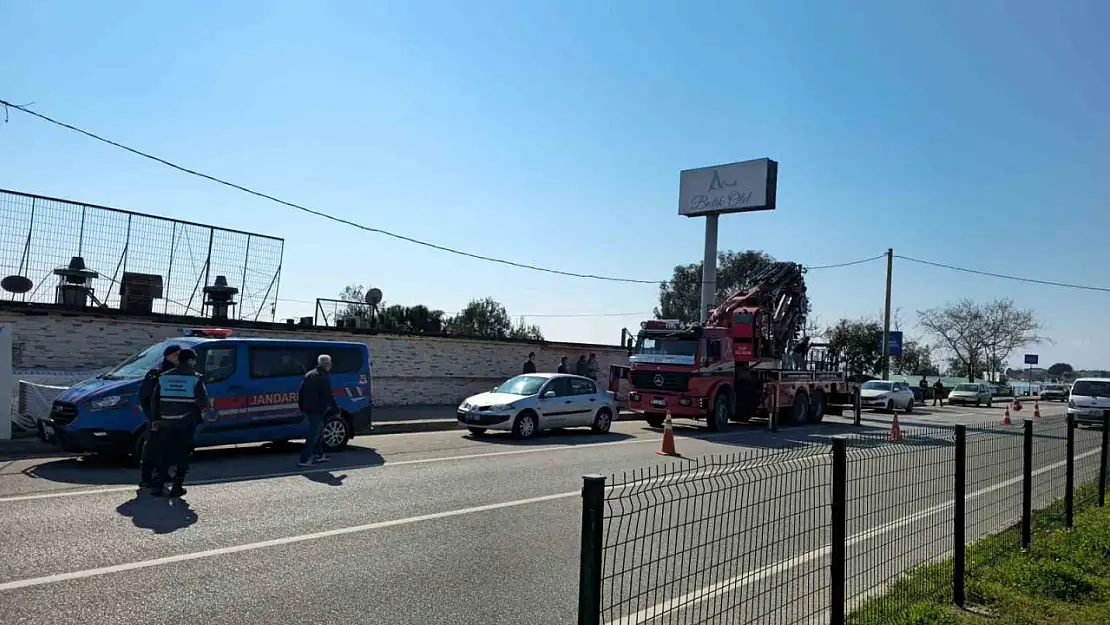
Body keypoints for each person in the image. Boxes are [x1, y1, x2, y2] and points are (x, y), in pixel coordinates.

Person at [149, 348, 210, 497]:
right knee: (183, 454)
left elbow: (154, 401)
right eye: (194, 360)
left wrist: (156, 420)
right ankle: (177, 486)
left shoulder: (164, 377)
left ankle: (158, 486)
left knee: (164, 453)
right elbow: (204, 402)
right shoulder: (195, 378)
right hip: (186, 422)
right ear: (190, 360)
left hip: (165, 422)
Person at [138, 344, 180, 488]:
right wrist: (152, 416)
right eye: (176, 354)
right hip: (157, 417)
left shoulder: (178, 371)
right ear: (170, 355)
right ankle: (146, 478)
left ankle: (163, 474)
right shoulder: (158, 372)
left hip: (172, 417)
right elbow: (144, 395)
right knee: (152, 448)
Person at [298, 354, 339, 468]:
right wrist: (335, 409)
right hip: (317, 409)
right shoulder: (323, 376)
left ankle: (319, 455)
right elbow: (328, 395)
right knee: (313, 435)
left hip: (308, 409)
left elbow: (301, 392)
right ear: (326, 364)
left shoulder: (309, 374)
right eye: (330, 363)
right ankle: (304, 459)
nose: (331, 365)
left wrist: (301, 406)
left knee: (319, 431)